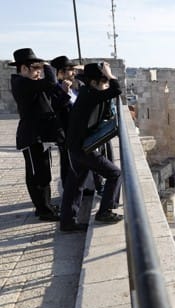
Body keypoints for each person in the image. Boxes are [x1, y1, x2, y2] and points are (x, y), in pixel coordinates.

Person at [60, 62, 123, 232]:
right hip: (81, 148)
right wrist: (110, 74)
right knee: (115, 173)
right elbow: (117, 89)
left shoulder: (87, 92)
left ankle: (67, 222)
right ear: (94, 82)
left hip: (76, 146)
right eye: (104, 81)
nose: (106, 84)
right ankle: (105, 211)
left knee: (75, 184)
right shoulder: (91, 94)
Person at [9, 48, 67, 221]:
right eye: (35, 68)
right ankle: (43, 210)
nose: (38, 72)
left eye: (39, 68)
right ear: (23, 69)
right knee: (37, 175)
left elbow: (51, 96)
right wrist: (48, 65)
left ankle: (45, 205)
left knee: (44, 172)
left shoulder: (32, 84)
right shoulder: (21, 82)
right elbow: (50, 81)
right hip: (32, 135)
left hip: (41, 135)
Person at [49, 55, 80, 185]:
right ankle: (68, 190)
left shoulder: (74, 87)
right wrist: (63, 92)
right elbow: (55, 108)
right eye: (70, 70)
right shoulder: (55, 88)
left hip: (76, 132)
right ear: (60, 72)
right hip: (65, 133)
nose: (73, 73)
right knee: (67, 163)